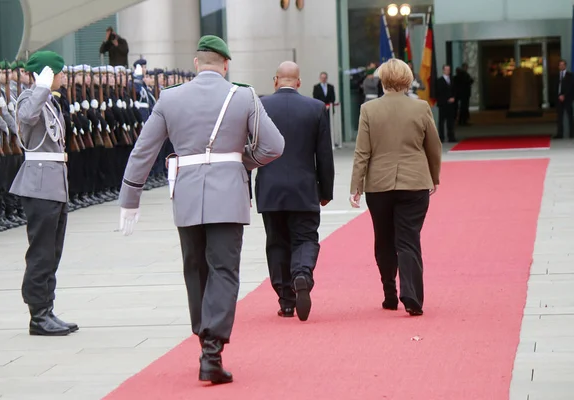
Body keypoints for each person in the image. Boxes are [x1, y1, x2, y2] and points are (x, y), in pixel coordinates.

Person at [117, 35, 284, 384]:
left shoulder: (170, 97)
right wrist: (243, 162)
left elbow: (143, 151)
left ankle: (203, 338)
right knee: (223, 270)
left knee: (195, 270)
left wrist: (130, 197)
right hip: (229, 195)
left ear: (196, 63)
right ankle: (212, 350)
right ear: (226, 65)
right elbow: (274, 145)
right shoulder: (243, 95)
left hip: (188, 194)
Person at [349, 59, 442, 316]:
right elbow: (433, 146)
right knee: (409, 238)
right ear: (407, 78)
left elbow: (362, 152)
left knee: (384, 238)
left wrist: (356, 185)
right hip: (415, 182)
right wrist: (434, 176)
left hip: (379, 185)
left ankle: (389, 292)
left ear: (382, 79)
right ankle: (412, 295)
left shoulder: (368, 109)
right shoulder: (421, 107)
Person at [257, 61, 334, 321]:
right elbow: (324, 155)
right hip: (304, 187)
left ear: (275, 80)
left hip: (270, 187)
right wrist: (326, 190)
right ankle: (301, 274)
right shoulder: (315, 108)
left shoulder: (260, 107)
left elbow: (248, 148)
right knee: (306, 237)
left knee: (276, 241)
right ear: (299, 82)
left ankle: (286, 300)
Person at [9, 51, 78, 336]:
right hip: (39, 185)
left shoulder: (51, 101)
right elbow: (26, 117)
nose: (61, 78)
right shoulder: (30, 98)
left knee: (53, 251)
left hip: (53, 184)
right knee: (41, 252)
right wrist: (40, 86)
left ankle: (47, 308)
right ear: (45, 75)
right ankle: (38, 315)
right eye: (57, 73)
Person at [435, 64, 457, 142]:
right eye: (446, 69)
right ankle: (441, 137)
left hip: (451, 104)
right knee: (441, 121)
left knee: (450, 121)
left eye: (449, 69)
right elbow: (439, 93)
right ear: (443, 70)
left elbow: (455, 90)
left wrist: (453, 97)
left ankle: (451, 136)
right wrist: (447, 99)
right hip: (443, 104)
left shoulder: (452, 79)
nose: (448, 71)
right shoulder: (439, 81)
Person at [555, 59, 573, 139]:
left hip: (568, 98)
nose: (561, 66)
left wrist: (564, 95)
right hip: (558, 99)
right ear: (558, 66)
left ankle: (572, 134)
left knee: (570, 117)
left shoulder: (570, 75)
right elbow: (554, 87)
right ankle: (560, 134)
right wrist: (559, 95)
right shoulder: (556, 76)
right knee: (559, 117)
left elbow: (571, 87)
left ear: (565, 66)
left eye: (563, 65)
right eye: (560, 65)